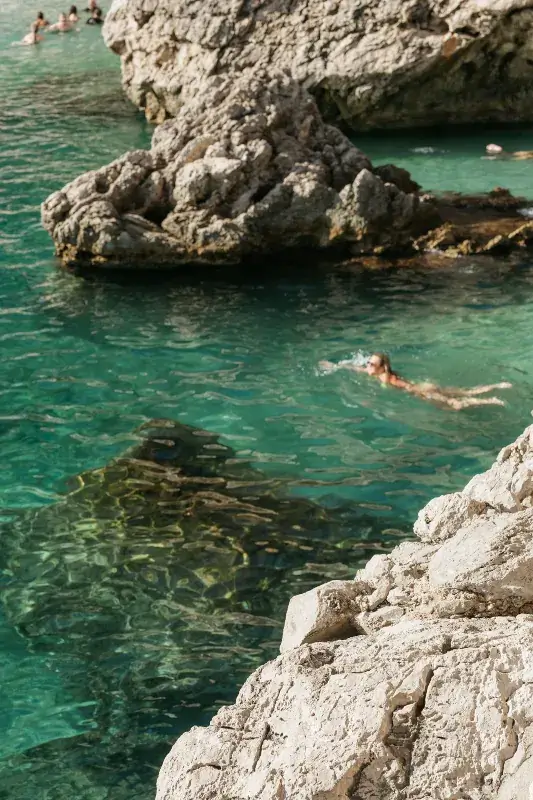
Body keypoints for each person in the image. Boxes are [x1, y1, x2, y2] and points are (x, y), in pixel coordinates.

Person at [319, 353, 512, 410]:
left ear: (382, 367)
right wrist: (334, 365)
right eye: (368, 362)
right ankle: (497, 386)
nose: (367, 365)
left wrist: (425, 395)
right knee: (462, 391)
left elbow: (407, 387)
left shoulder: (389, 378)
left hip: (420, 389)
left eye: (371, 364)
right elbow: (354, 368)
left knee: (455, 403)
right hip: (423, 386)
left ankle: (491, 400)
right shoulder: (375, 373)